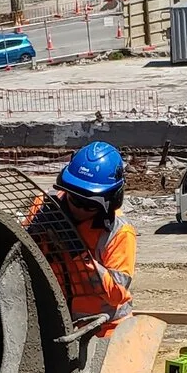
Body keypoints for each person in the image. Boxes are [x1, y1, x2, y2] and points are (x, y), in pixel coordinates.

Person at [26, 142, 135, 336]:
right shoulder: (43, 208)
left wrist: (78, 253)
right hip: (55, 322)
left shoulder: (119, 232)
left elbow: (116, 294)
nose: (79, 209)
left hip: (105, 329)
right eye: (74, 199)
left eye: (89, 205)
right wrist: (33, 233)